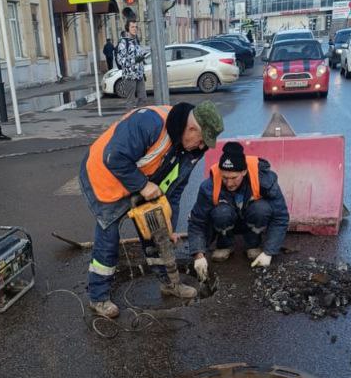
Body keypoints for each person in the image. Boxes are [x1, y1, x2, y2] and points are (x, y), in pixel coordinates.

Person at [79, 101, 224, 317]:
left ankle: (169, 283)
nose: (202, 147)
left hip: (143, 181)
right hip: (105, 178)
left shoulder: (192, 149)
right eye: (201, 140)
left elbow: (174, 191)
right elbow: (113, 157)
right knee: (108, 238)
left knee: (158, 233)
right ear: (192, 128)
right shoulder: (149, 123)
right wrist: (143, 186)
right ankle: (98, 298)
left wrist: (168, 227)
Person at [188, 140, 289, 280]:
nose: (229, 183)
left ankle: (253, 244)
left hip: (252, 217)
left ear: (244, 171)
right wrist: (198, 254)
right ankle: (225, 245)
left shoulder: (264, 180)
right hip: (226, 219)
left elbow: (281, 217)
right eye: (224, 178)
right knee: (220, 212)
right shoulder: (209, 186)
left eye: (234, 178)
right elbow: (197, 221)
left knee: (262, 208)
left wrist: (269, 252)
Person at [115, 20, 148, 108]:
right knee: (130, 101)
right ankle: (130, 120)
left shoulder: (136, 41)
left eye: (136, 27)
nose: (135, 29)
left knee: (143, 99)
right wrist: (135, 60)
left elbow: (139, 58)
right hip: (129, 76)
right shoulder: (123, 42)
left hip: (139, 75)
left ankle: (139, 117)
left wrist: (142, 72)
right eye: (132, 27)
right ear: (127, 28)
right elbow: (120, 61)